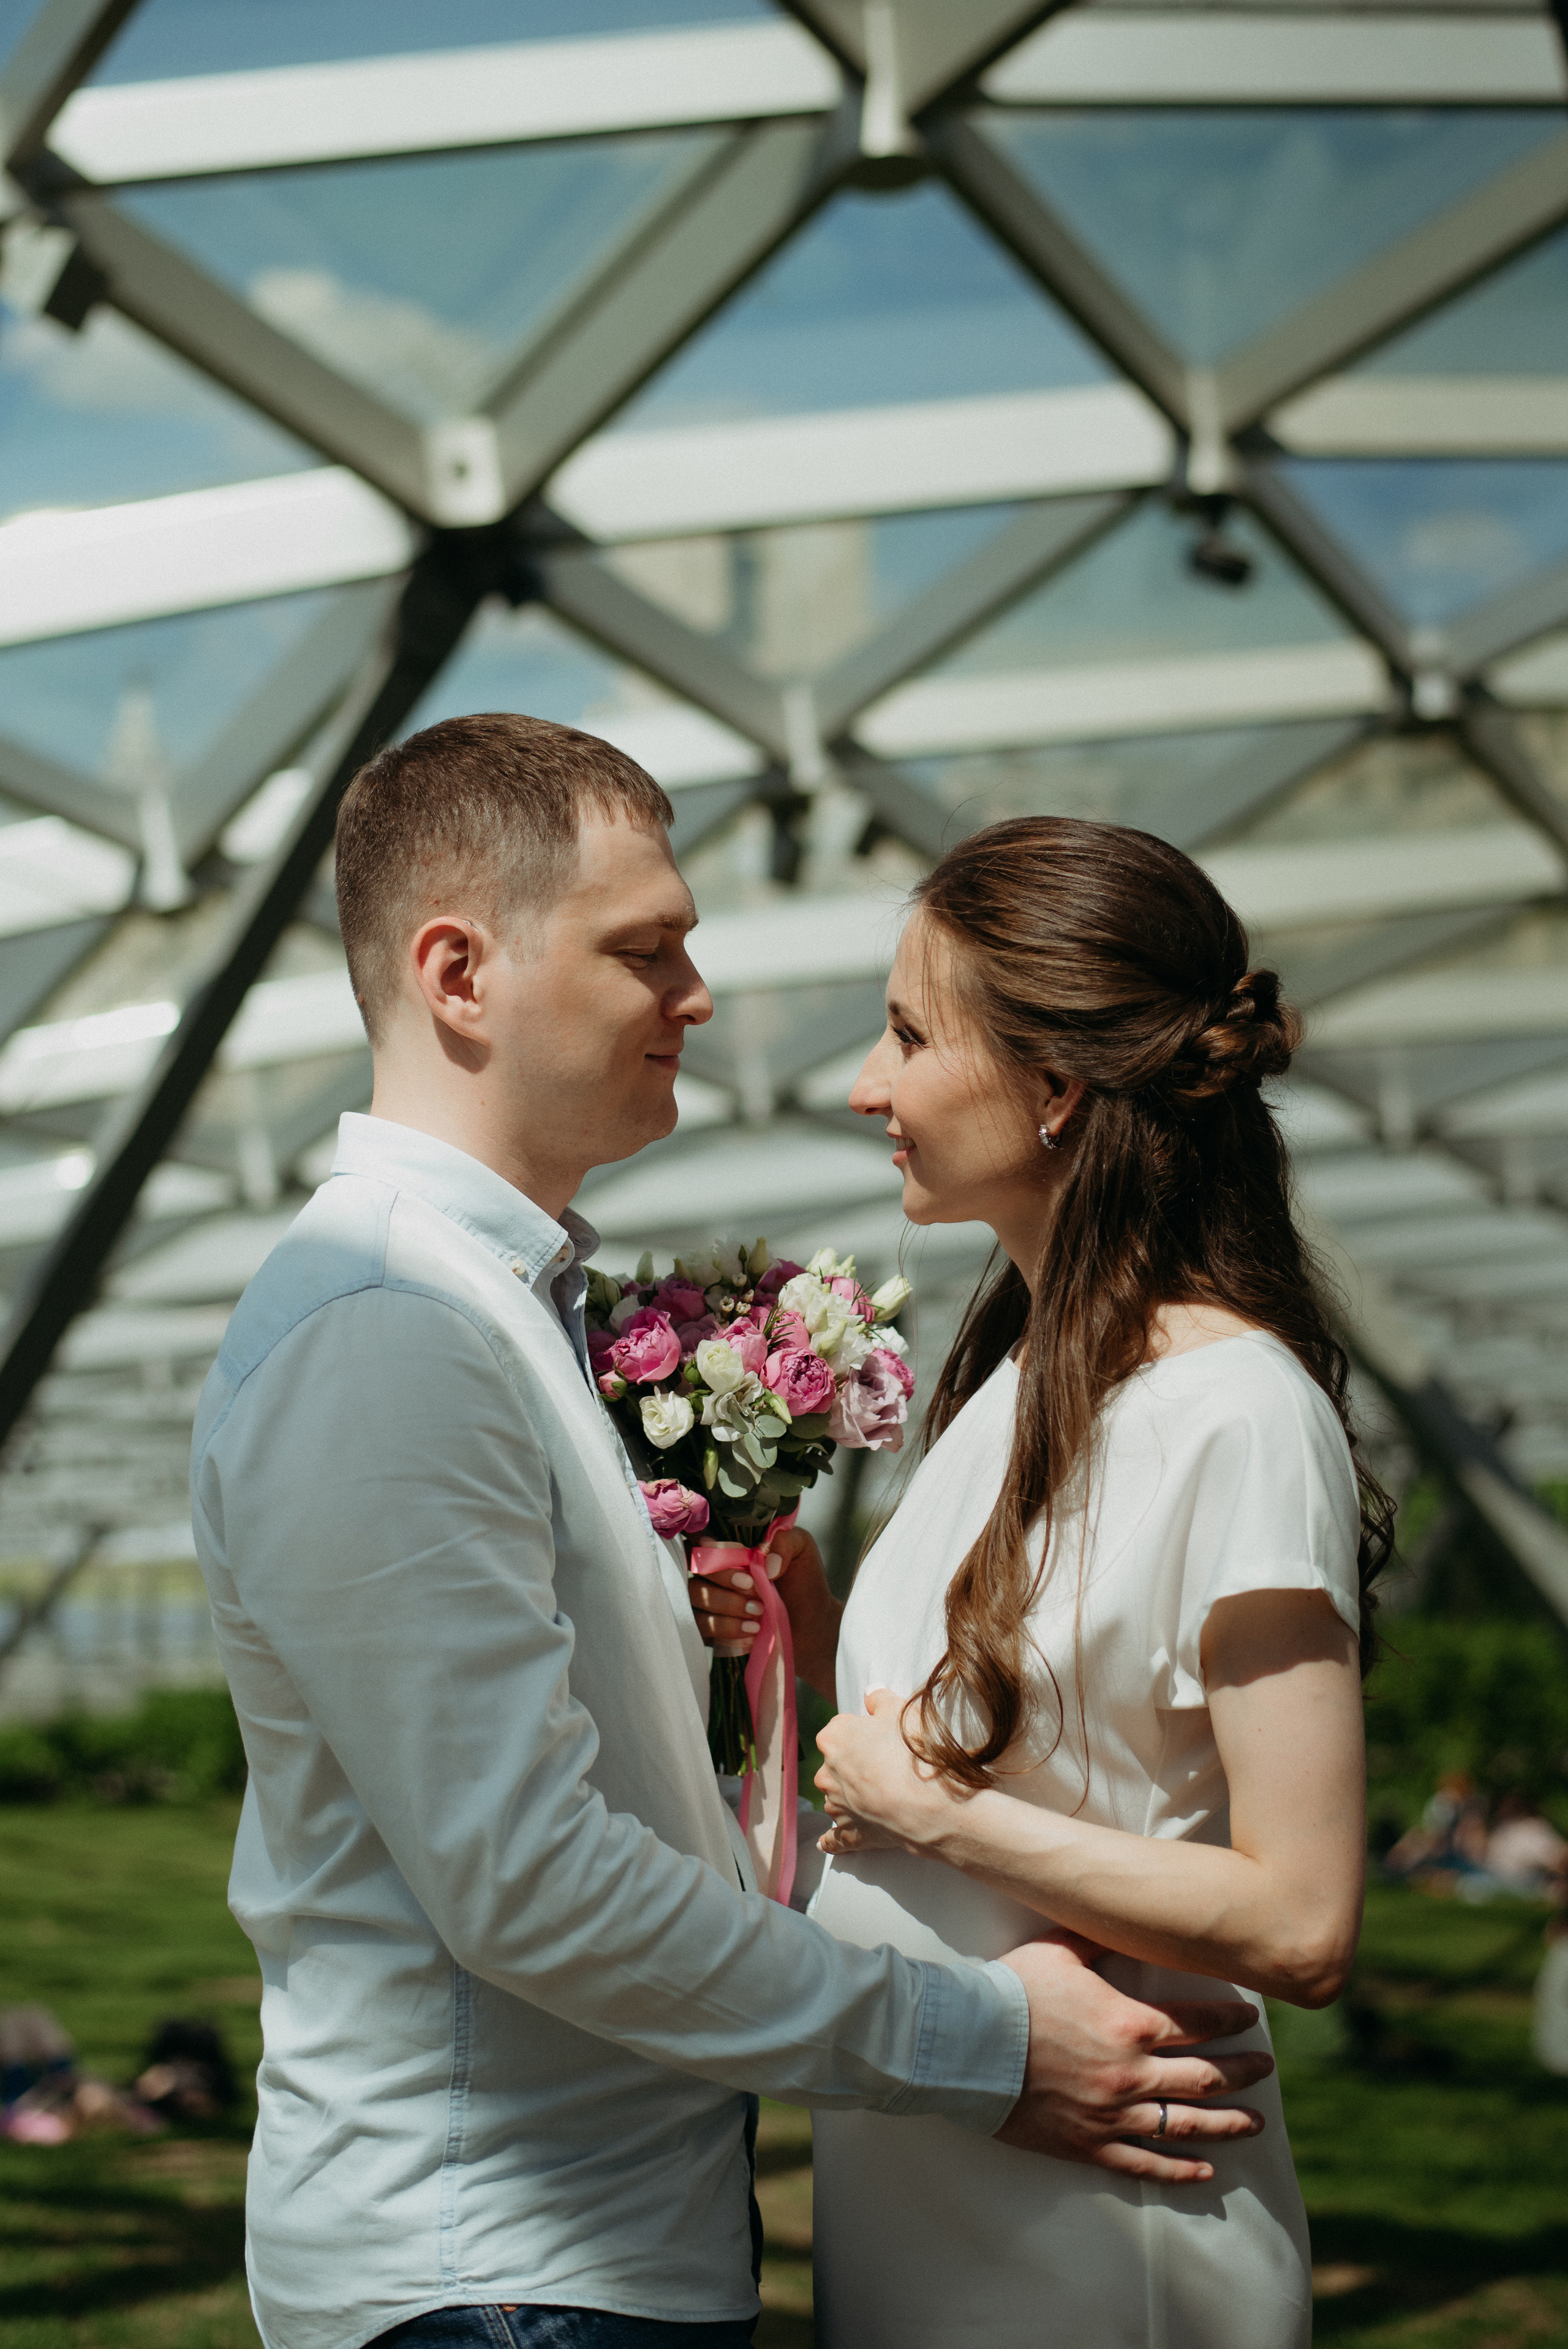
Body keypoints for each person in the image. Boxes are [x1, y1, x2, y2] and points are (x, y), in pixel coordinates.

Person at [190, 724, 1272, 2349]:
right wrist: (988, 2041)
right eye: (648, 949)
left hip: (569, 2258)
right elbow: (527, 1881)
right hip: (498, 2276)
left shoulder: (486, 1308)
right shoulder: (387, 1324)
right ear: (458, 974)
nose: (697, 996)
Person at [693, 816, 1388, 2349]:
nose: (866, 1086)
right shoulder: (1010, 1383)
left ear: (1058, 1086)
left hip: (1097, 2235)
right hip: (937, 2173)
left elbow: (1302, 1915)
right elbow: (970, 1759)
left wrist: (934, 1805)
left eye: (905, 1035)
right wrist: (803, 1643)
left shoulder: (1234, 1412)